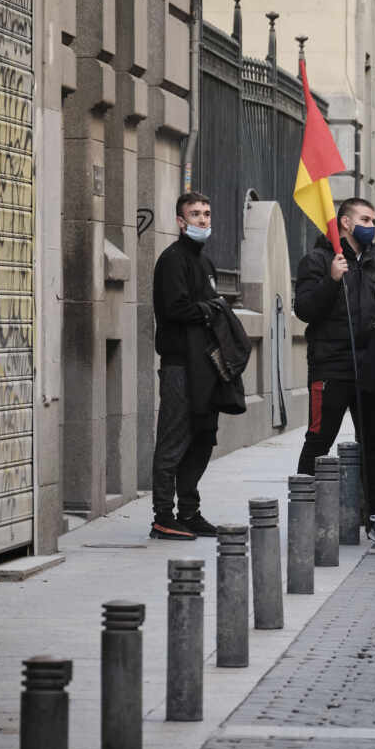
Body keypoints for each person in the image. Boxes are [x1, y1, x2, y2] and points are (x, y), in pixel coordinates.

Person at [292, 198, 375, 523]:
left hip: (370, 369)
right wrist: (331, 280)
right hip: (331, 367)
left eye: (373, 220)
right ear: (345, 223)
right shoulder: (318, 260)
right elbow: (304, 309)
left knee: (372, 444)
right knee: (320, 439)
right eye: (364, 218)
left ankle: (374, 513)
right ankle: (304, 513)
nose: (370, 225)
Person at [150, 192, 223, 540]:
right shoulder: (172, 260)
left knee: (203, 438)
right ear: (180, 222)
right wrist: (210, 311)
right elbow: (175, 309)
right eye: (195, 214)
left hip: (206, 367)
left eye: (207, 214)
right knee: (174, 439)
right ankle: (163, 516)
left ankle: (189, 512)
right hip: (180, 365)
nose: (203, 220)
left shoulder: (205, 264)